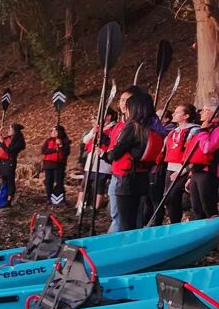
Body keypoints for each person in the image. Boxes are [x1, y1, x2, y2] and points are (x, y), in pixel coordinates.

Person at [103, 93, 162, 232]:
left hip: (126, 179)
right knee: (136, 219)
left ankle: (122, 250)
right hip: (142, 178)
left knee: (124, 223)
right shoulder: (151, 127)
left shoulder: (132, 127)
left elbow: (114, 154)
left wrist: (104, 154)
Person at [159, 104, 200, 224]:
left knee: (176, 197)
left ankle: (191, 224)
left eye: (177, 112)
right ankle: (174, 223)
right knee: (169, 199)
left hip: (185, 169)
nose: (173, 114)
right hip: (170, 168)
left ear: (186, 116)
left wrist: (183, 171)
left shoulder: (193, 130)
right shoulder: (173, 131)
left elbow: (194, 155)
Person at [79, 107, 117, 218]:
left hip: (103, 159)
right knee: (84, 184)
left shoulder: (113, 127)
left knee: (99, 185)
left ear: (109, 116)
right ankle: (80, 207)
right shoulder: (98, 127)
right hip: (92, 158)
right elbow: (85, 140)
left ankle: (95, 210)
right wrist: (93, 132)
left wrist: (102, 135)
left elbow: (111, 141)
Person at [187, 99, 219, 220]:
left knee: (208, 207)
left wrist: (203, 131)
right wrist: (190, 174)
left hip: (209, 173)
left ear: (214, 113)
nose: (201, 112)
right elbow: (195, 152)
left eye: (206, 110)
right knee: (197, 208)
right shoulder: (203, 128)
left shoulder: (216, 129)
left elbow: (207, 148)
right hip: (197, 171)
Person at [0, 122, 26, 206]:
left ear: (15, 131)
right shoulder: (6, 138)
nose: (8, 130)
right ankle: (2, 197)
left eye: (11, 129)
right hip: (2, 162)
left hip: (10, 162)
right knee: (4, 180)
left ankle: (9, 200)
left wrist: (2, 142)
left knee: (10, 180)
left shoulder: (18, 142)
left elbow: (10, 151)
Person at [41, 125, 70, 204]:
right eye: (52, 131)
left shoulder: (65, 141)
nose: (52, 133)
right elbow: (43, 150)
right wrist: (54, 149)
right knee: (48, 182)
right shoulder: (48, 140)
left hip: (59, 164)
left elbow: (66, 153)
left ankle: (58, 199)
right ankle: (49, 198)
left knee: (59, 182)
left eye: (55, 131)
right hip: (48, 164)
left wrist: (60, 145)